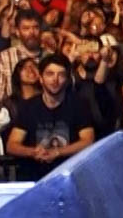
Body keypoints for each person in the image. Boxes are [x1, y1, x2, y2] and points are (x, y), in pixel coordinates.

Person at [5, 53, 97, 183]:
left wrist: (58, 152)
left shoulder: (79, 105)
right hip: (36, 180)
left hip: (70, 179)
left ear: (67, 79)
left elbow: (88, 141)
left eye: (61, 74)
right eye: (50, 74)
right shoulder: (28, 107)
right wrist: (33, 152)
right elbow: (12, 145)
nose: (55, 79)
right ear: (41, 78)